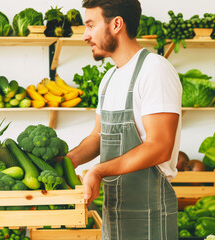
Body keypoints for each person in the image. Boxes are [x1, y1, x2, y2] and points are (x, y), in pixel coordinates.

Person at [66, 0, 182, 239]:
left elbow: (159, 147)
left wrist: (97, 171)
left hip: (149, 216)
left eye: (90, 25)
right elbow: (99, 136)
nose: (85, 36)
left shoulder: (154, 70)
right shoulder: (109, 78)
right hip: (114, 214)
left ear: (117, 24)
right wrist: (67, 160)